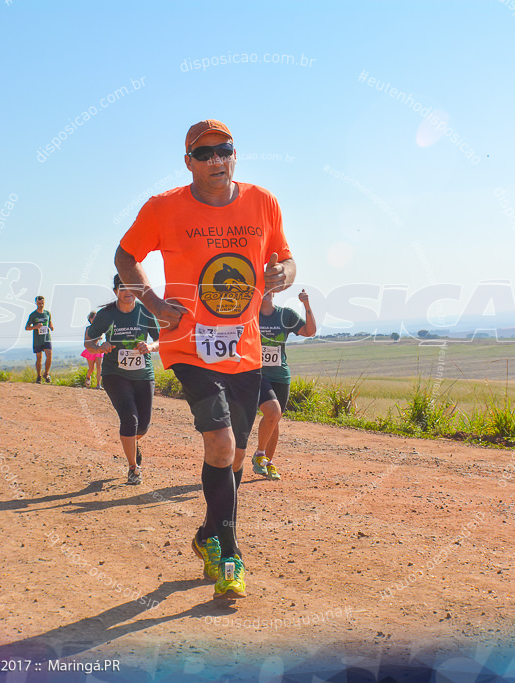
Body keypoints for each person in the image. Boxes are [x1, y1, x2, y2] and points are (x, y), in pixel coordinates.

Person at [115, 119, 296, 599]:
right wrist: (154, 304)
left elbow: (286, 258)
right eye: (205, 154)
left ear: (235, 154)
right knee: (219, 444)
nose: (217, 160)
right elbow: (125, 256)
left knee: (235, 454)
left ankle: (206, 535)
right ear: (188, 161)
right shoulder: (164, 207)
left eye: (225, 151)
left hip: (246, 348)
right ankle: (231, 554)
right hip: (189, 344)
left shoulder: (264, 201)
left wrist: (284, 273)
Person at [84, 275, 160, 485]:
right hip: (114, 374)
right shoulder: (106, 315)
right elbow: (89, 340)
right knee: (130, 419)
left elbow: (159, 339)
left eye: (131, 288)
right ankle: (133, 468)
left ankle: (132, 443)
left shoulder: (145, 311)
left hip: (143, 374)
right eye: (122, 287)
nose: (127, 291)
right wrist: (100, 347)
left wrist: (150, 347)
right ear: (116, 290)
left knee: (142, 427)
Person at [252, 289, 317, 480]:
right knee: (272, 412)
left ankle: (266, 463)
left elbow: (310, 331)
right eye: (261, 288)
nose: (264, 292)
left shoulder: (285, 314)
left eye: (268, 289)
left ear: (274, 292)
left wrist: (306, 304)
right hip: (257, 374)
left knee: (275, 418)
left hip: (281, 375)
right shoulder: (251, 315)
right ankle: (259, 455)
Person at [25, 296, 55, 383]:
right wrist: (35, 326)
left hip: (47, 338)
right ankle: (39, 376)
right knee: (39, 358)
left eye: (42, 303)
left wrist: (51, 327)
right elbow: (27, 327)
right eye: (39, 303)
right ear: (36, 303)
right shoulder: (33, 315)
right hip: (38, 339)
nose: (41, 305)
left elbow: (50, 323)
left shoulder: (47, 313)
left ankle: (47, 373)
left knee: (49, 355)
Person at [80, 311, 104, 388]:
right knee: (91, 368)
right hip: (90, 350)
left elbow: (102, 337)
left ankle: (98, 385)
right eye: (93, 317)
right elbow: (86, 340)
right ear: (90, 319)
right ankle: (88, 377)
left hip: (99, 349)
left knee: (99, 367)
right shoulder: (88, 328)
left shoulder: (101, 328)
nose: (95, 319)